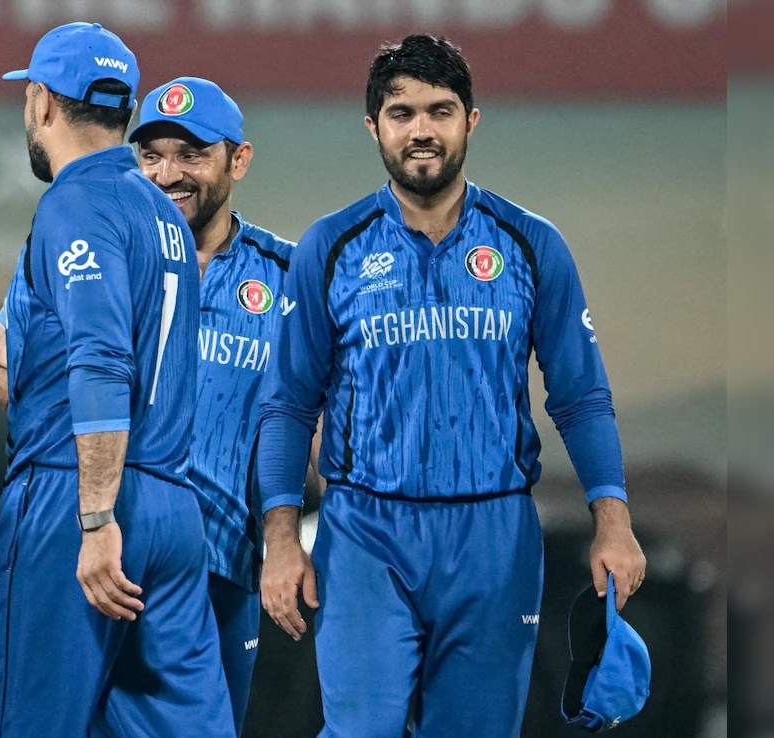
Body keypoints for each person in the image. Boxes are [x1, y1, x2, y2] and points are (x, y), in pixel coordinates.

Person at [255, 35, 647, 737]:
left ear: (472, 120)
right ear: (374, 127)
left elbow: (581, 396)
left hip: (493, 537)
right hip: (365, 536)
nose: (422, 130)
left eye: (440, 110)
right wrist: (281, 538)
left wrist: (613, 523)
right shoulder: (331, 246)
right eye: (402, 113)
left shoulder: (532, 244)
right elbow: (287, 403)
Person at [0, 22, 234, 737]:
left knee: (23, 722)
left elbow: (101, 361)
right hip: (172, 508)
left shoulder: (75, 203)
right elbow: (120, 354)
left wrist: (96, 520)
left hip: (80, 502)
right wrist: (19, 355)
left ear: (40, 102)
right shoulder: (164, 215)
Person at [128, 76, 297, 732]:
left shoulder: (290, 276)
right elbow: (17, 379)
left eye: (191, 153)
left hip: (224, 570)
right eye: (152, 155)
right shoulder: (102, 261)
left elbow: (324, 426)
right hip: (111, 563)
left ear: (239, 160)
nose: (169, 173)